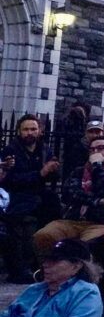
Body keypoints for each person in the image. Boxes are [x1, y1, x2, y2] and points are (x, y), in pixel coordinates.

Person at [33, 135, 104, 256]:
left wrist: (97, 166)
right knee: (43, 235)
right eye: (92, 149)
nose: (95, 151)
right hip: (72, 220)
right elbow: (71, 193)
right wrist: (98, 201)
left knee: (88, 246)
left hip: (99, 222)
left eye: (101, 148)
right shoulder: (79, 171)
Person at [0, 115, 61, 283]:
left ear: (40, 131)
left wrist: (53, 169)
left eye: (33, 129)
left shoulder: (45, 150)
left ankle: (47, 262)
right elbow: (10, 180)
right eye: (26, 129)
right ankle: (19, 270)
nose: (30, 133)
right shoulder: (10, 151)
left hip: (40, 195)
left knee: (54, 206)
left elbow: (54, 175)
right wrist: (40, 173)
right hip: (18, 196)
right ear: (19, 132)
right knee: (18, 221)